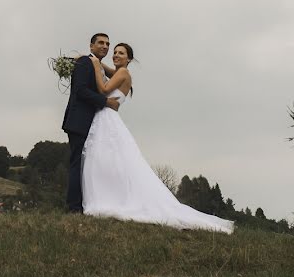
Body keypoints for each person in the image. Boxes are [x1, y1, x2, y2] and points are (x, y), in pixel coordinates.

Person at [81, 42, 234, 234]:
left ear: (129, 59)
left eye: (121, 53)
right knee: (112, 161)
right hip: (108, 118)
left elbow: (103, 90)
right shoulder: (120, 72)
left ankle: (109, 198)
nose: (115, 55)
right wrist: (91, 59)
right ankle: (112, 196)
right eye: (115, 53)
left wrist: (95, 66)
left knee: (107, 160)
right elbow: (109, 70)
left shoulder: (123, 73)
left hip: (108, 118)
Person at [61, 33, 120, 213]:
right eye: (101, 43)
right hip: (79, 122)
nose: (105, 46)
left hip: (91, 123)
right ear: (91, 46)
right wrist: (105, 102)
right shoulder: (85, 63)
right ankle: (74, 208)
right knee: (77, 164)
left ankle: (85, 204)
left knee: (87, 165)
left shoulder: (95, 64)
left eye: (107, 44)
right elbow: (80, 90)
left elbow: (117, 73)